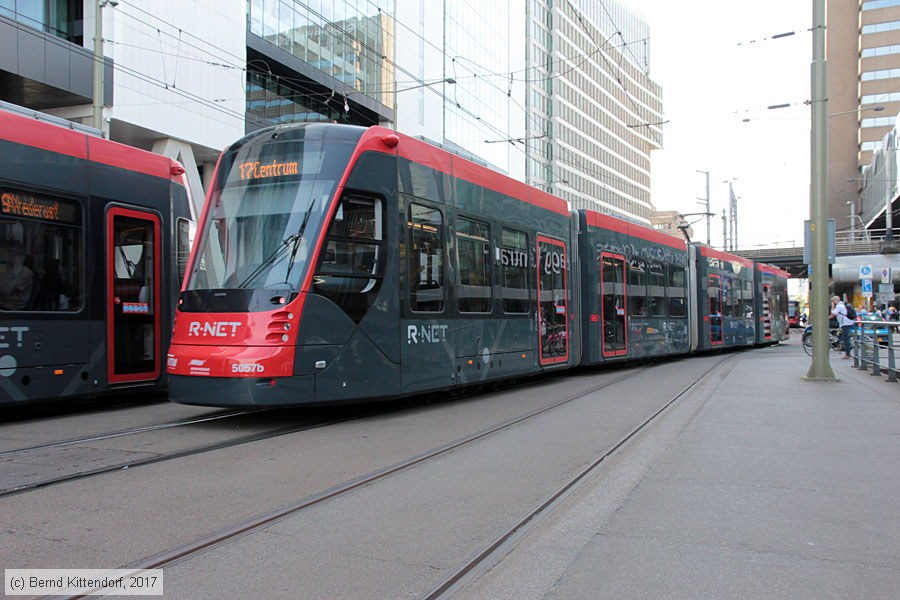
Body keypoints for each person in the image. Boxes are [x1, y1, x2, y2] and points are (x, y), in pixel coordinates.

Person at [0, 244, 34, 311]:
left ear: (21, 257)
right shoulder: (4, 268)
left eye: (14, 253)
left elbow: (6, 291)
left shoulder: (25, 272)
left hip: (12, 306)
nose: (10, 255)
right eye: (9, 252)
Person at [829, 295, 854, 359]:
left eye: (833, 301)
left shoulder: (839, 306)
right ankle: (846, 349)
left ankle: (847, 353)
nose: (832, 302)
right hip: (846, 323)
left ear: (835, 300)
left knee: (846, 339)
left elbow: (833, 314)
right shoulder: (842, 305)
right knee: (842, 337)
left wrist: (832, 307)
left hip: (845, 324)